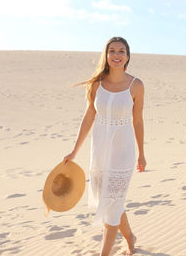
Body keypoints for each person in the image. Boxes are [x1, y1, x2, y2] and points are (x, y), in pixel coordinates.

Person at [63, 36, 146, 256]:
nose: (116, 55)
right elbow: (89, 117)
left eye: (121, 51)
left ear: (128, 56)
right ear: (106, 55)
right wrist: (74, 150)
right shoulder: (96, 84)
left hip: (123, 151)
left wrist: (141, 154)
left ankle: (104, 254)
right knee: (111, 200)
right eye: (112, 51)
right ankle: (130, 237)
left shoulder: (136, 85)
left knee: (112, 201)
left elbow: (137, 121)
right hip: (100, 150)